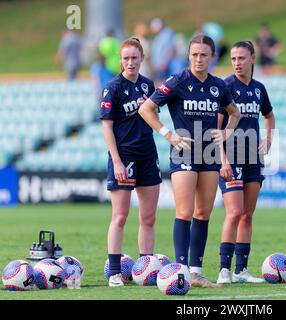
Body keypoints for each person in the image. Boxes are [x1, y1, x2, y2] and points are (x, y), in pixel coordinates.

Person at [138, 35, 241, 288]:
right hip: (183, 152)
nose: (198, 59)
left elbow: (234, 112)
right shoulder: (178, 81)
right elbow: (146, 109)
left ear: (212, 57)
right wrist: (168, 134)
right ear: (188, 55)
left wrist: (226, 132)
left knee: (203, 213)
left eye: (203, 54)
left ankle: (196, 272)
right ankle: (181, 270)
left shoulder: (219, 85)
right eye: (194, 54)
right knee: (184, 212)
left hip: (209, 156)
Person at [99, 38, 161, 287]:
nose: (130, 62)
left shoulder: (148, 85)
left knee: (148, 217)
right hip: (123, 156)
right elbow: (107, 126)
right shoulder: (112, 87)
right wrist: (116, 161)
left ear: (142, 58)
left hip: (148, 155)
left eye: (134, 57)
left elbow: (153, 117)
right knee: (120, 216)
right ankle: (115, 271)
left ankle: (145, 267)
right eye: (125, 58)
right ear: (120, 60)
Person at [216, 41, 275, 285]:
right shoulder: (226, 87)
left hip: (253, 159)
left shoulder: (259, 89)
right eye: (233, 59)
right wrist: (223, 160)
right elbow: (217, 128)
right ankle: (223, 269)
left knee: (247, 215)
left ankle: (241, 270)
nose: (237, 63)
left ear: (252, 58)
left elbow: (269, 115)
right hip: (232, 157)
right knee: (233, 212)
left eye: (241, 58)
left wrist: (269, 139)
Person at [149, 17, 176, 85]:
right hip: (159, 65)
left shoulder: (166, 36)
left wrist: (164, 62)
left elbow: (168, 50)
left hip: (163, 65)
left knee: (163, 84)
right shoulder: (160, 36)